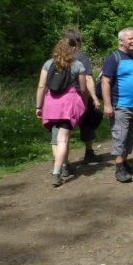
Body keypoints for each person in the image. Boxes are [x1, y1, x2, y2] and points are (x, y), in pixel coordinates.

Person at [35, 37, 87, 187]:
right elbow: (83, 89)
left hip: (51, 104)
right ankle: (57, 172)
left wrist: (39, 107)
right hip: (67, 105)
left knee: (56, 137)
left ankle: (64, 166)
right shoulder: (77, 65)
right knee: (63, 139)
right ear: (73, 49)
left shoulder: (48, 64)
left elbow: (41, 86)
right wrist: (83, 105)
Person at [48, 29, 103, 171]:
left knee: (59, 131)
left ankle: (60, 161)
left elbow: (44, 83)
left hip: (56, 99)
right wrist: (94, 99)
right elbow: (88, 78)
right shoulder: (80, 56)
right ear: (77, 43)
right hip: (77, 96)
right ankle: (89, 152)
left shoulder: (55, 58)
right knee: (88, 123)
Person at [101, 28, 133, 183]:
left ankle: (125, 163)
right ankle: (119, 169)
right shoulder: (113, 58)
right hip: (120, 105)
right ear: (121, 41)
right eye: (130, 39)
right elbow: (105, 82)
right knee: (120, 136)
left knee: (131, 137)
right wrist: (107, 104)